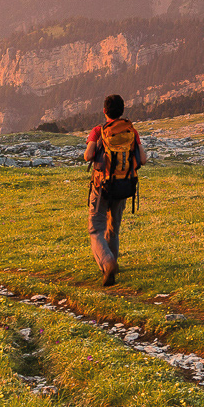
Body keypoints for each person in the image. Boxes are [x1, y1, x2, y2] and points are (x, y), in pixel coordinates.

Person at [83, 94, 144, 286]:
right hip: (124, 185)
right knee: (113, 229)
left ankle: (108, 264)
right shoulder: (131, 132)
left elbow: (88, 156)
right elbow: (143, 159)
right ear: (122, 111)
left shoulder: (98, 131)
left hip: (102, 187)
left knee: (96, 230)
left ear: (104, 111)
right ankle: (112, 265)